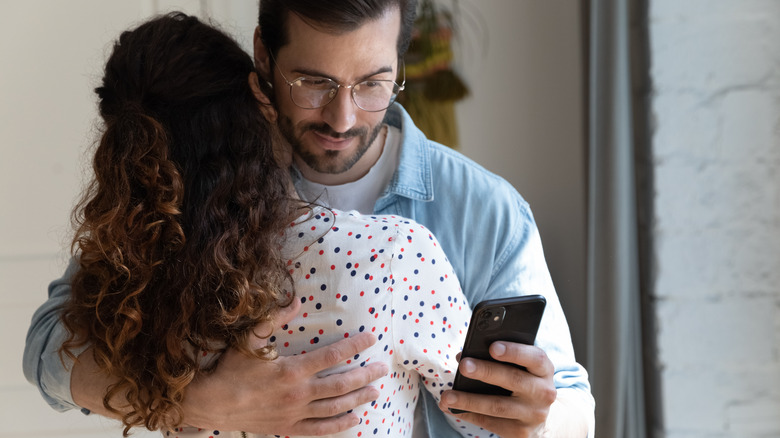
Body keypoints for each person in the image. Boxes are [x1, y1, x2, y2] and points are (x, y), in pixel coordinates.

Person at [25, 1, 595, 437]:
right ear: (264, 58)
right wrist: (201, 399)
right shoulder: (193, 184)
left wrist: (543, 418)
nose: (343, 117)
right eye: (314, 82)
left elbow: (572, 406)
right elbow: (48, 348)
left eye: (373, 83)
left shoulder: (484, 211)